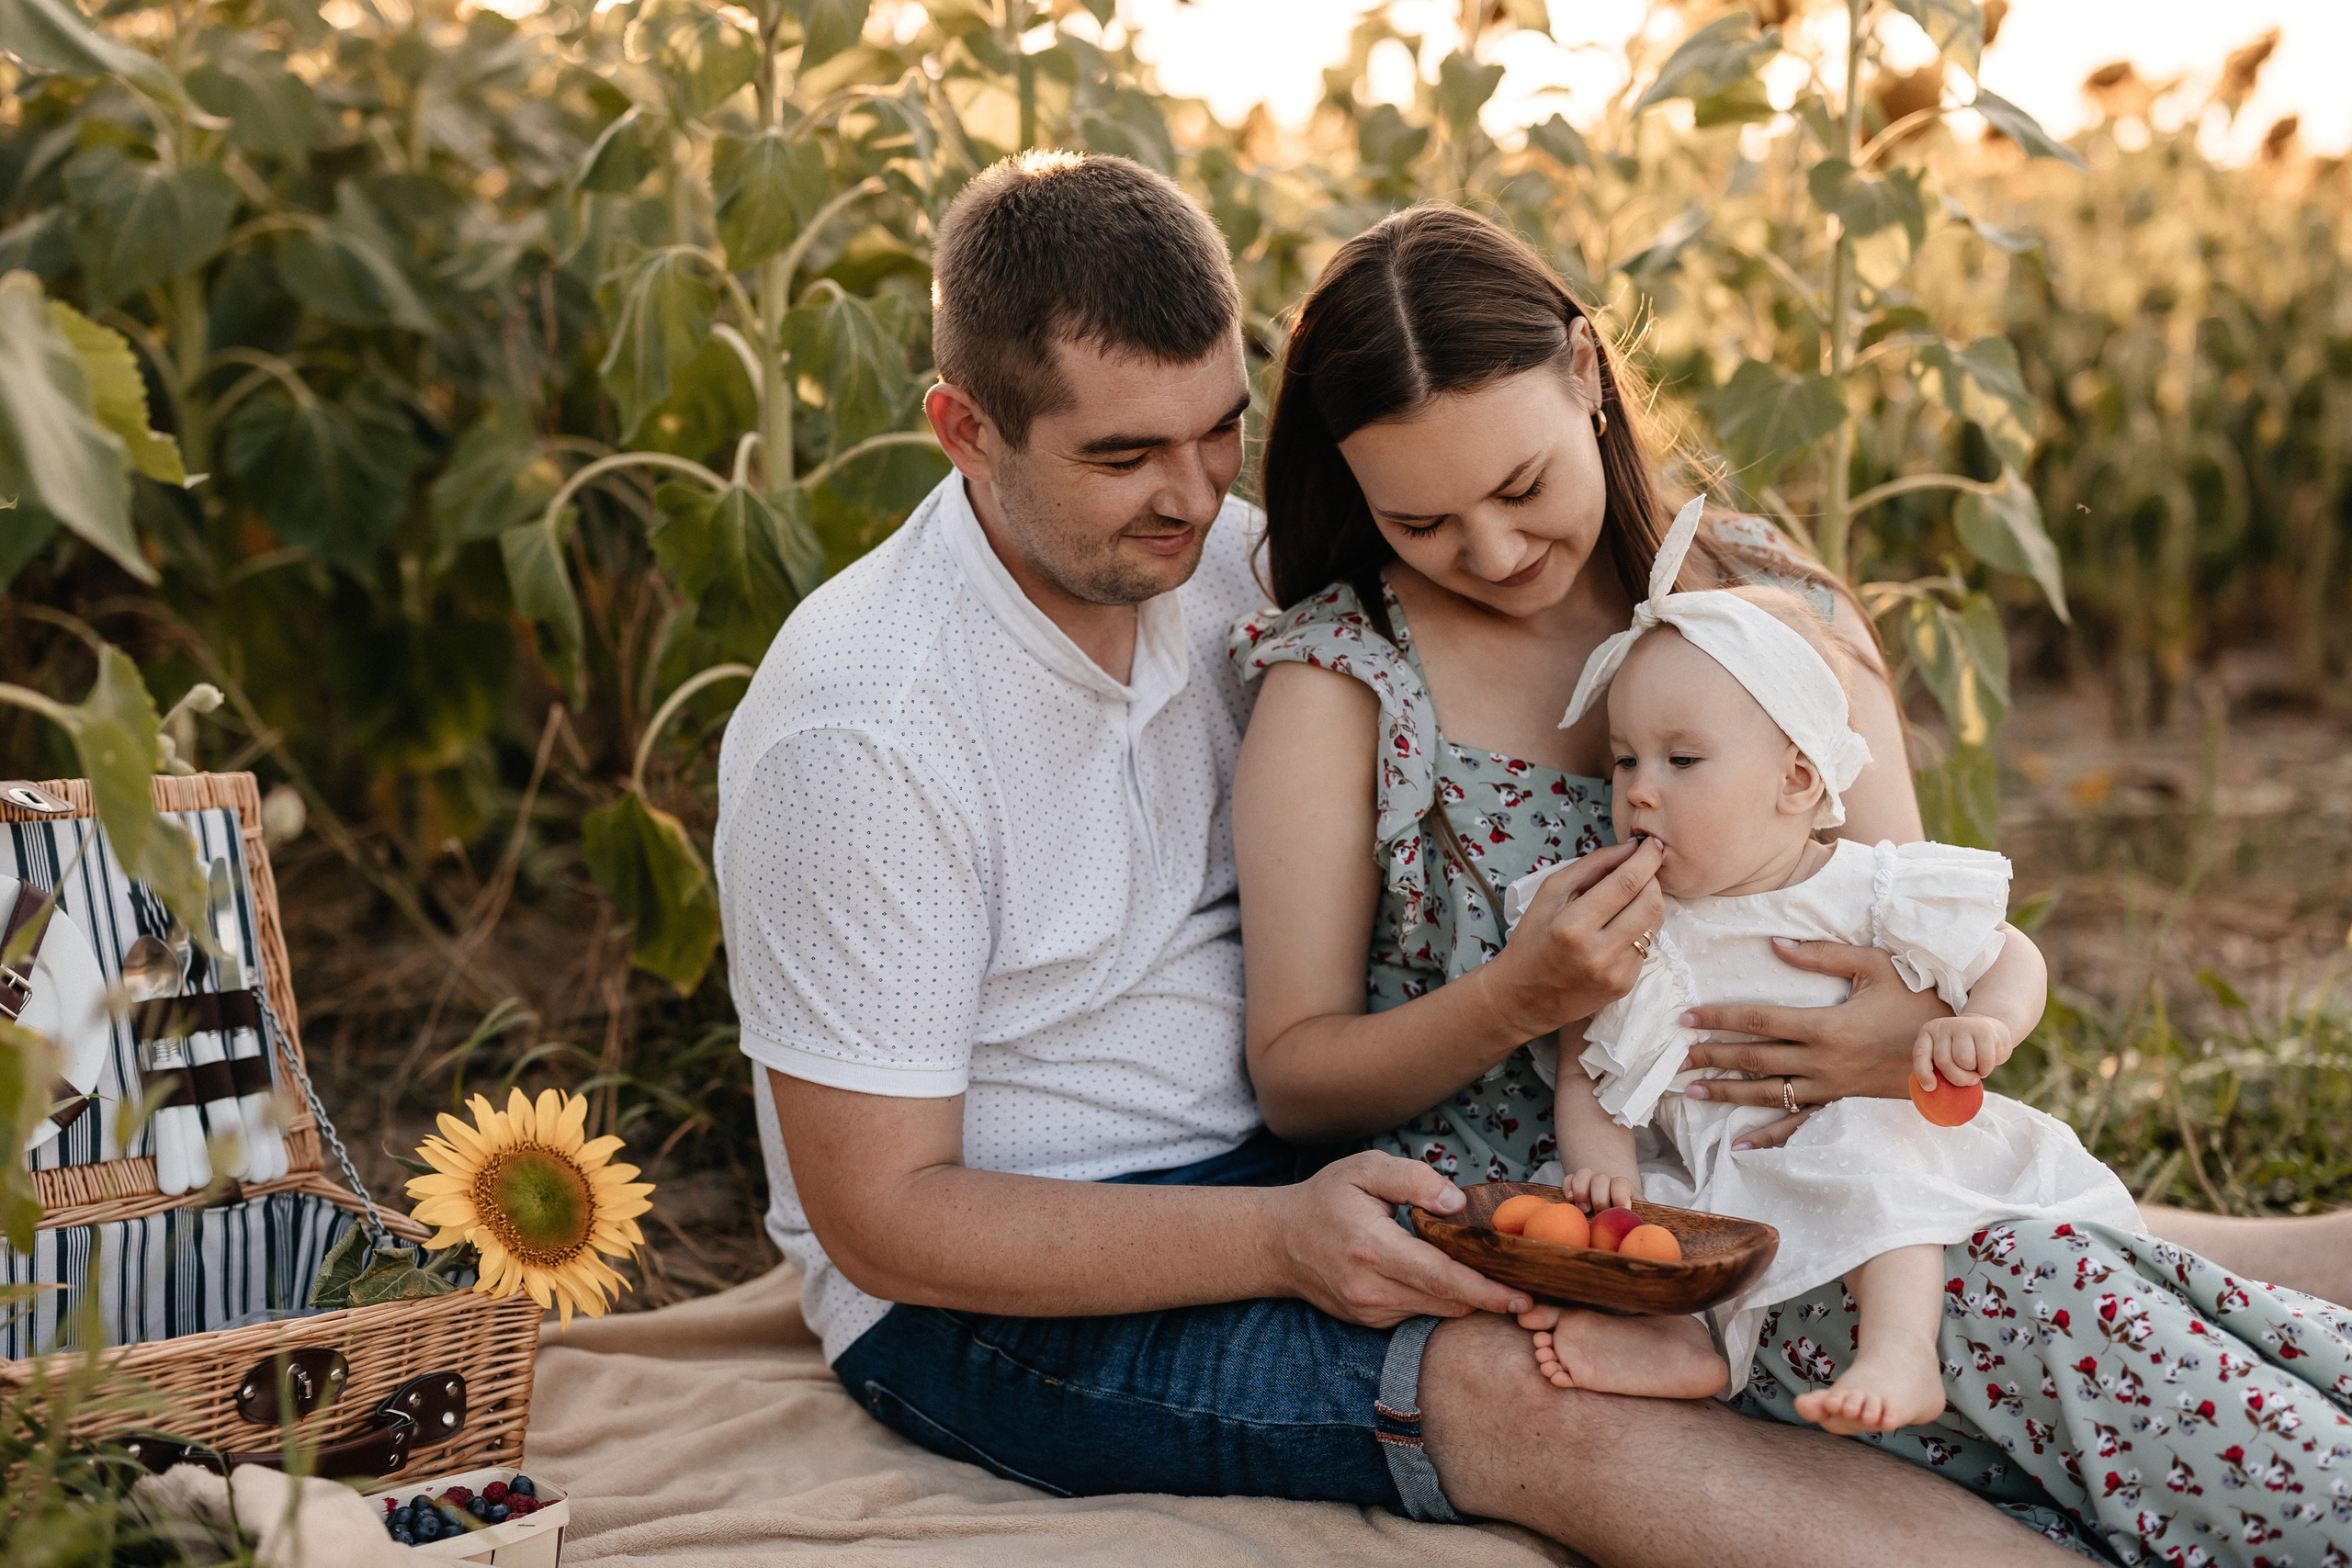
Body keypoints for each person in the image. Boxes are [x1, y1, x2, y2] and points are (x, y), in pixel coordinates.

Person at [717, 152, 2093, 1564]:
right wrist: (1279, 1238)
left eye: (1217, 434)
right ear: (964, 429)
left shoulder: (1219, 569)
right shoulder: (865, 727)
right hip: (993, 1290)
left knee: (1854, 1237)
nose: (1191, 498)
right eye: (1123, 455)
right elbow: (882, 1219)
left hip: (1292, 1164)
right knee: (1535, 1388)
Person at [1229, 200, 2352, 1564]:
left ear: (1587, 372)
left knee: (2110, 1290)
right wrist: (1518, 997)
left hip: (1871, 1167)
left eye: (1524, 487)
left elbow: (1922, 925)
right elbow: (1295, 1079)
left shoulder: (1775, 611)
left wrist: (1911, 1043)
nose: (1495, 549)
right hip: (1626, 1239)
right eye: (1421, 519)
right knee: (2045, 1308)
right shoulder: (1347, 684)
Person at [1498, 501, 2142, 1436]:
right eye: (1624, 759)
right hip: (1728, 1176)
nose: (1639, 788)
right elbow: (1588, 1073)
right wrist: (1600, 1176)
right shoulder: (1636, 925)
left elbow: (2009, 955)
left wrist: (1986, 1026)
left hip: (1870, 1139)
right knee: (1661, 1225)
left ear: (1798, 781)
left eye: (1682, 759)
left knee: (1871, 1151)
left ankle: (1900, 1350)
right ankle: (1693, 1345)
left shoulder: (1869, 890)